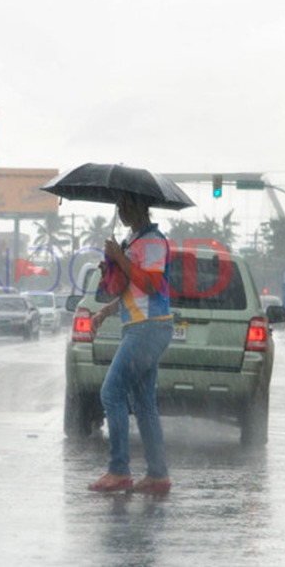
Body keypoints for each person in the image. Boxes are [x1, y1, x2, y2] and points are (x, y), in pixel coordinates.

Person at [88, 191, 174, 494]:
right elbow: (131, 290)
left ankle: (119, 470)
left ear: (138, 207)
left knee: (111, 392)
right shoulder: (135, 241)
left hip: (147, 329)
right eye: (119, 205)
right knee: (143, 403)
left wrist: (121, 259)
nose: (121, 210)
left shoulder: (151, 241)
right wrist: (105, 310)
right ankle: (157, 474)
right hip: (141, 327)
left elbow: (150, 284)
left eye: (125, 205)